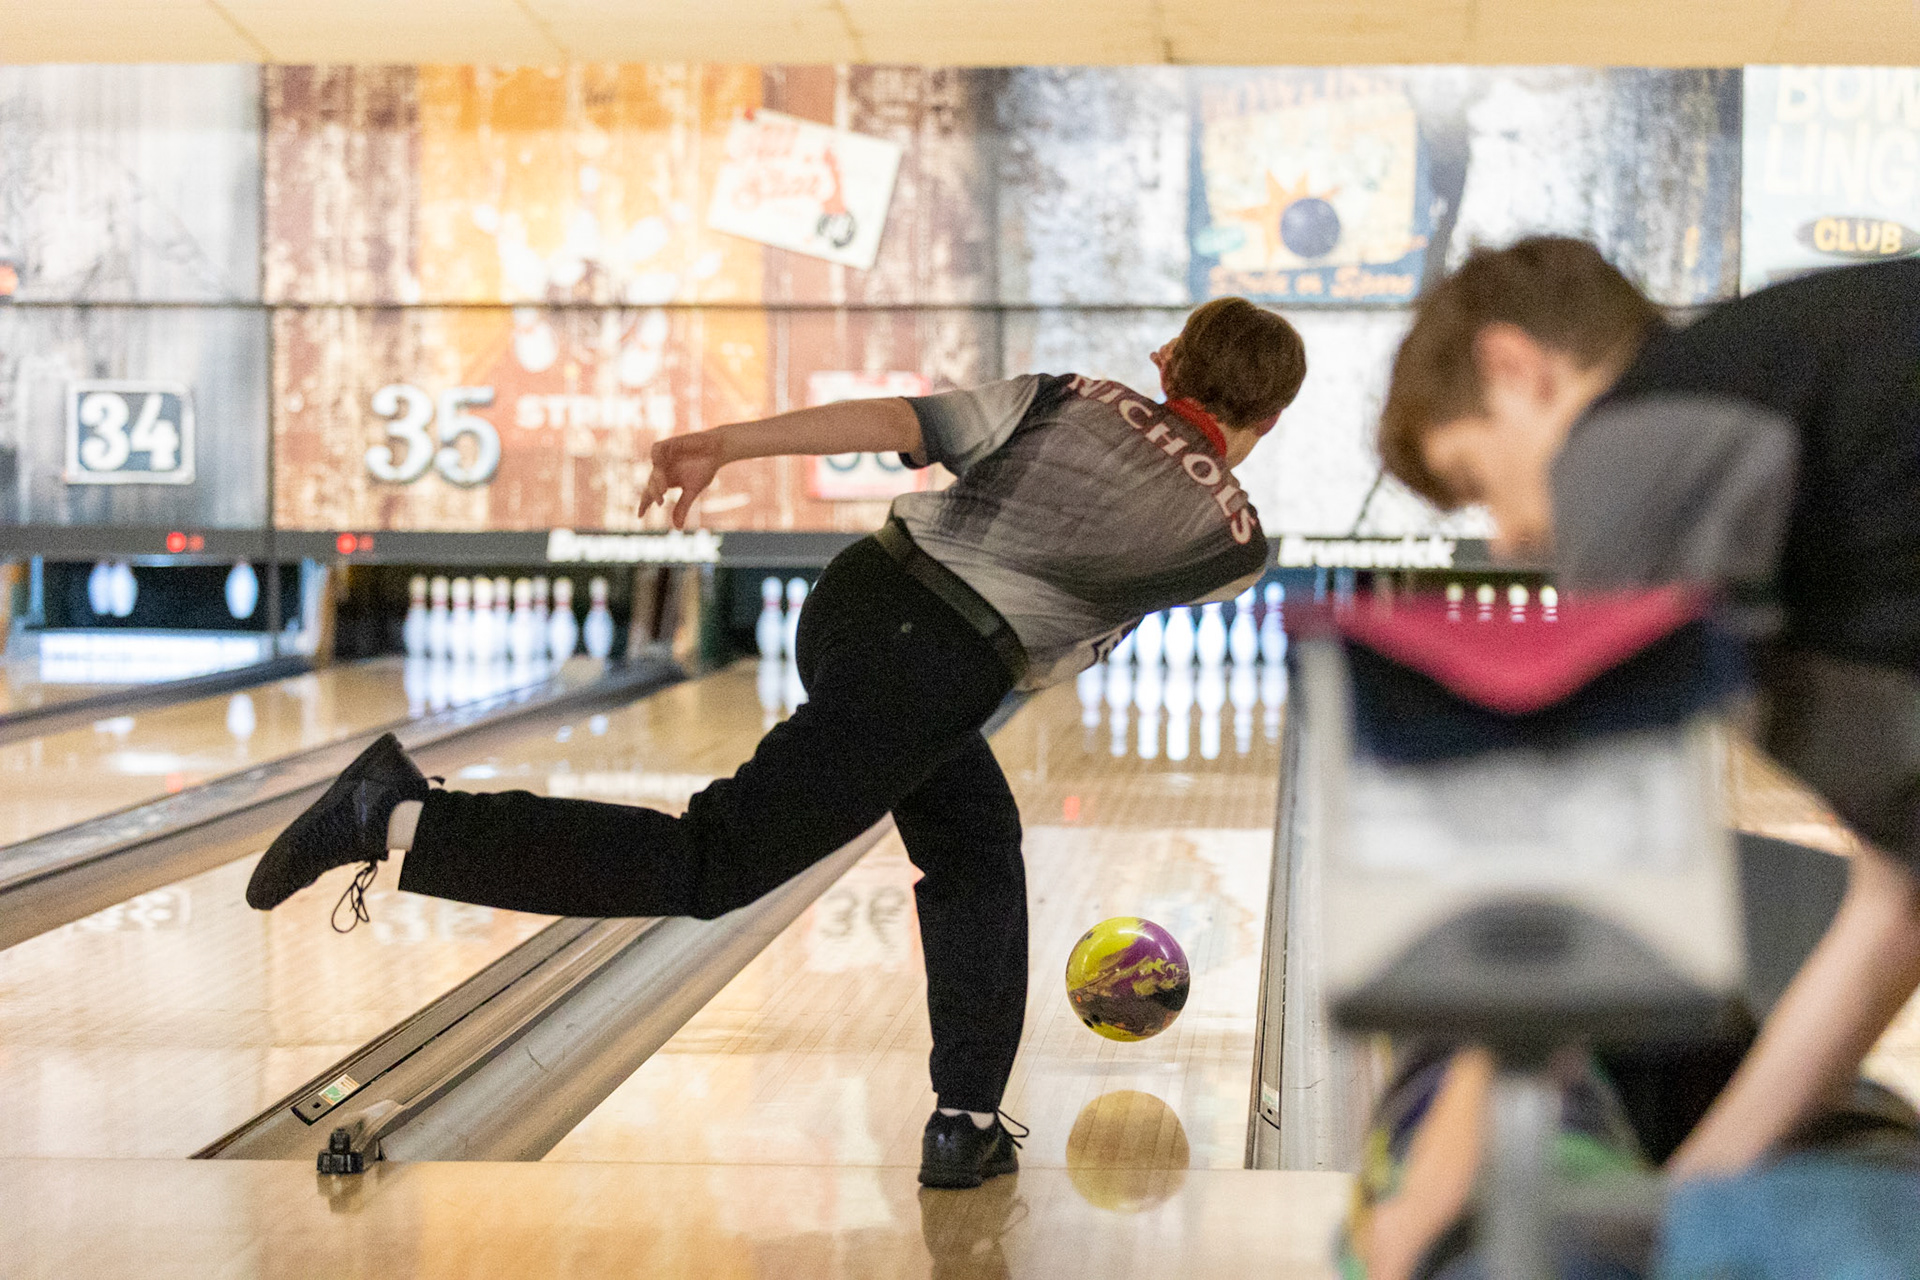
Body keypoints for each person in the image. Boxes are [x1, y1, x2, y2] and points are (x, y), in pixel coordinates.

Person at [245, 297, 1308, 1189]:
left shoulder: (1064, 395)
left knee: (976, 841)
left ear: (1166, 356)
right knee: (711, 862)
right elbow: (1118, 578)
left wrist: (727, 442)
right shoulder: (1235, 543)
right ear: (1277, 410)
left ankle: (968, 1121)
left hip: (856, 595)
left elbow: (901, 416)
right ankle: (394, 814)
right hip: (936, 666)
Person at [1347, 235, 1920, 1277]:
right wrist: (1689, 1188)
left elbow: (1571, 881)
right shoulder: (1799, 411)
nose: (1514, 537)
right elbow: (1898, 907)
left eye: (1482, 480)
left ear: (1519, 368)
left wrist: (1427, 1204)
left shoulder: (1632, 440)